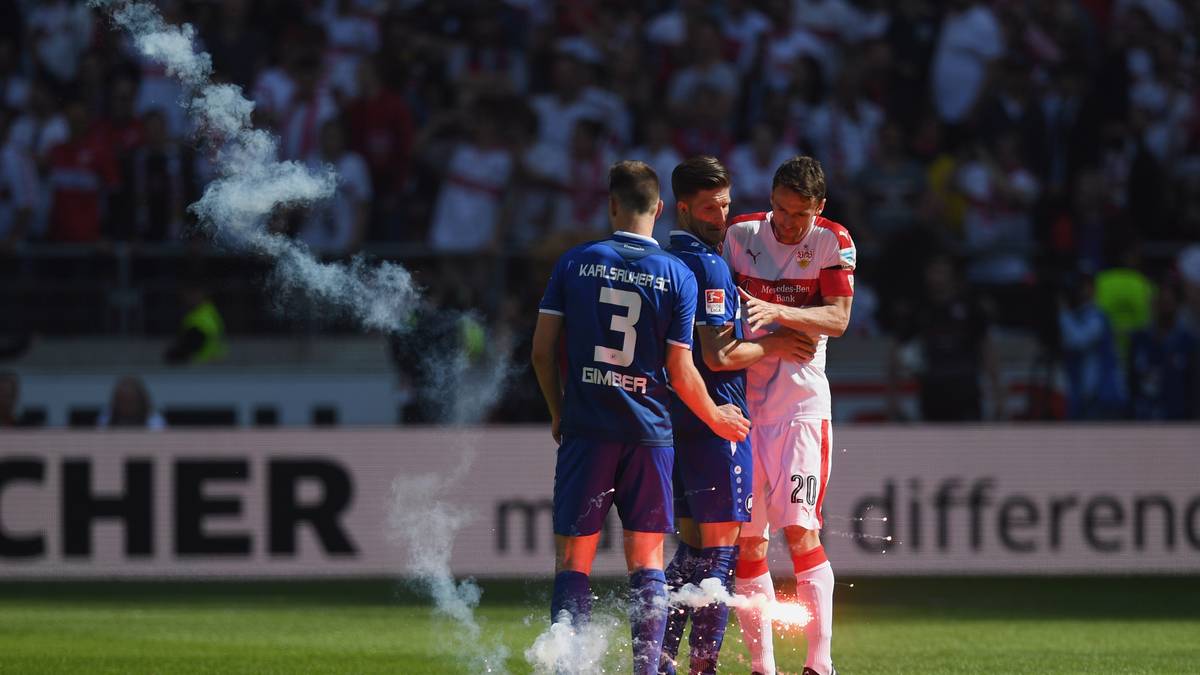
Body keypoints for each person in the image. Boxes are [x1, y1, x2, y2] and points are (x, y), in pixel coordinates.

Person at [530, 160, 750, 675]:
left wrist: (559, 411)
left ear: (612, 205)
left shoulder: (575, 262)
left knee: (574, 560)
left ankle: (569, 669)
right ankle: (649, 670)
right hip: (651, 434)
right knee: (648, 559)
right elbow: (682, 370)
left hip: (588, 428)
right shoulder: (677, 274)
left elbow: (541, 352)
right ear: (660, 208)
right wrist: (716, 416)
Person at [659, 156, 815, 675]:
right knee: (722, 553)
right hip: (718, 419)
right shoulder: (709, 265)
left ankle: (658, 658)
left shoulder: (664, 259)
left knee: (690, 550)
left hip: (676, 418)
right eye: (710, 207)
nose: (722, 216)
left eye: (725, 204)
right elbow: (721, 354)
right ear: (683, 208)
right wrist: (775, 343)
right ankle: (702, 666)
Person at [722, 156, 855, 675]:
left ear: (819, 208)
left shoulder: (832, 240)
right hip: (744, 406)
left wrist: (778, 312)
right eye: (780, 209)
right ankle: (763, 668)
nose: (788, 222)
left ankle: (819, 666)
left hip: (801, 408)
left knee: (801, 533)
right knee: (749, 541)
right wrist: (774, 333)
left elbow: (838, 319)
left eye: (800, 214)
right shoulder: (740, 234)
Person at [97, 375, 166, 429]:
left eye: (130, 402)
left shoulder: (153, 419)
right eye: (123, 401)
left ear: (140, 401)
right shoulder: (107, 417)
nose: (126, 406)